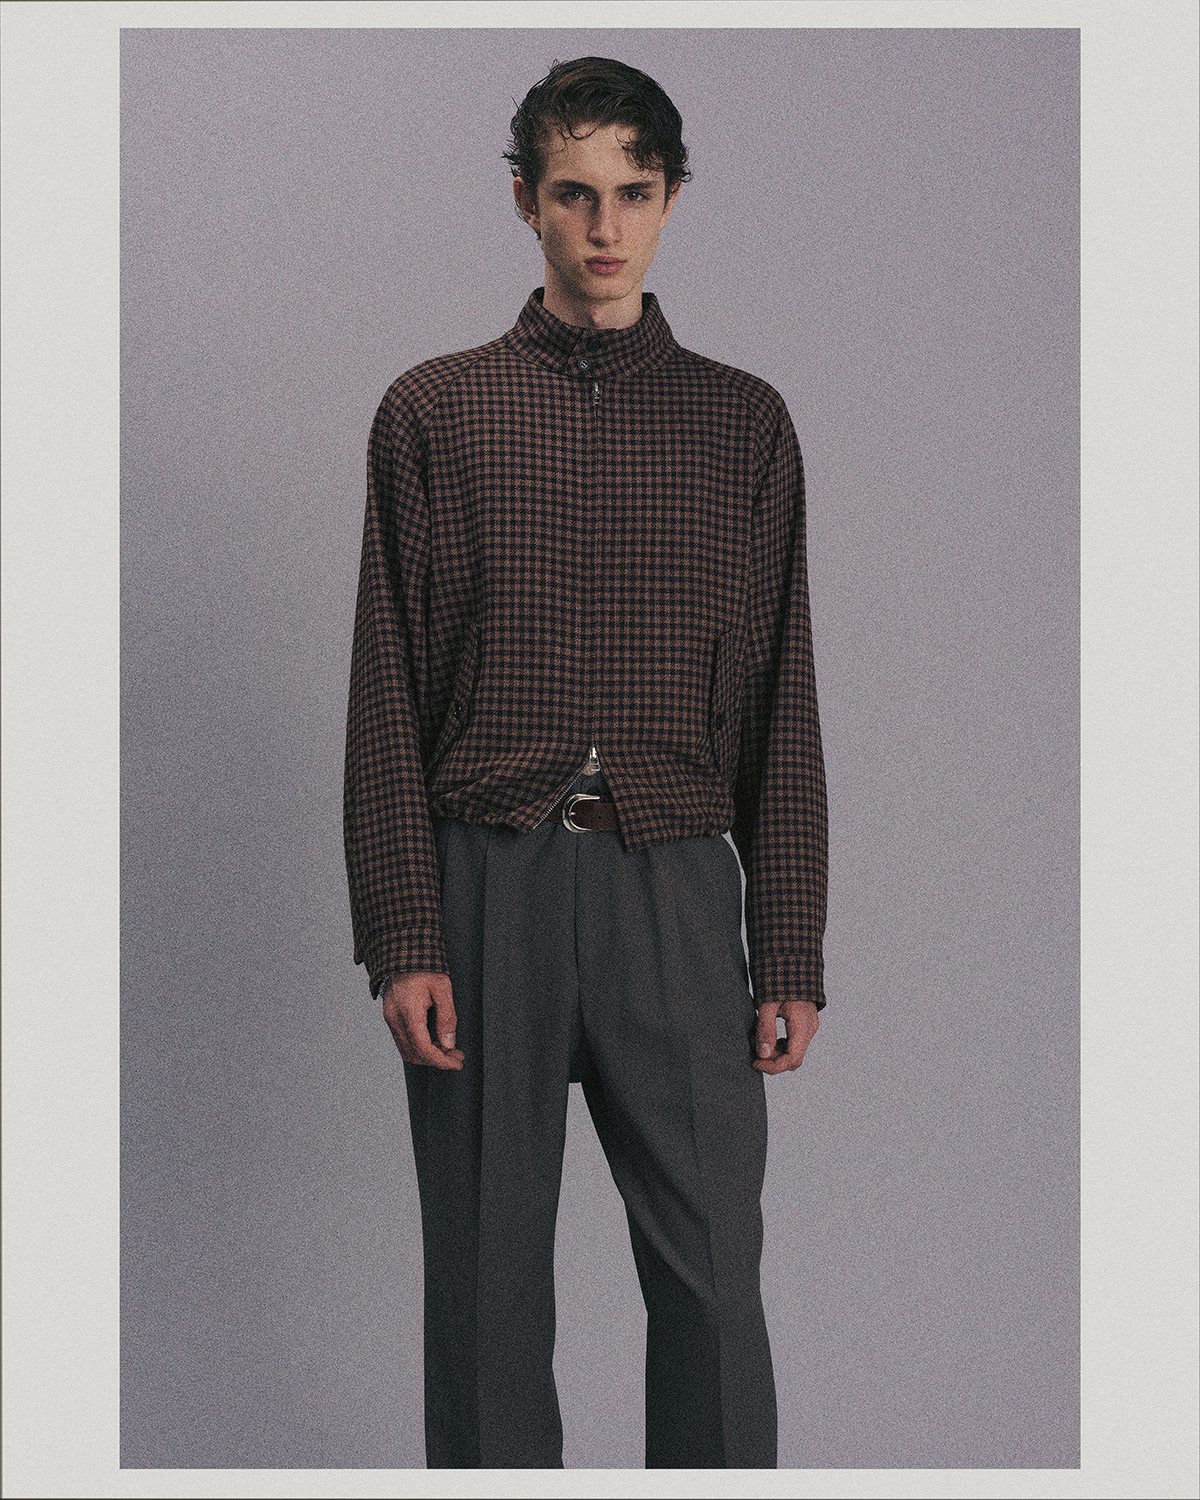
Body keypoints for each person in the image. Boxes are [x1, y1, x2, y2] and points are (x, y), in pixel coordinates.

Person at [343, 56, 828, 1470]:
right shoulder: (433, 412)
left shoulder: (744, 424)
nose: (604, 226)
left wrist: (789, 945)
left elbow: (782, 699)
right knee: (485, 1298)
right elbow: (385, 697)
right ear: (525, 202)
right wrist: (404, 935)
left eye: (633, 192)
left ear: (671, 201)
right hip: (483, 889)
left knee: (712, 1285)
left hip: (674, 891)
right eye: (573, 193)